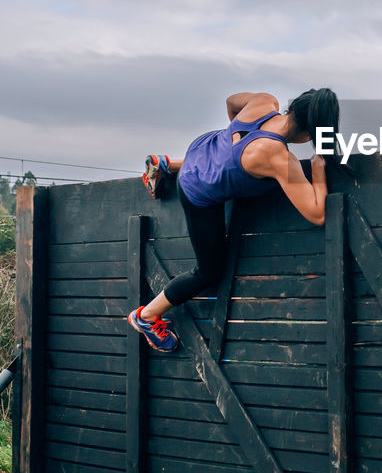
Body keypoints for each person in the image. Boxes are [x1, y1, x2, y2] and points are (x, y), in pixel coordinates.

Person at [129, 88, 339, 352]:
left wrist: (237, 147)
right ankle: (146, 316)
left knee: (232, 159)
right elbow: (317, 213)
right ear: (309, 135)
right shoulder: (278, 157)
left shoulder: (264, 101)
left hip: (202, 149)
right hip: (195, 187)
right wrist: (318, 169)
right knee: (208, 272)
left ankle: (166, 165)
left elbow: (231, 102)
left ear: (293, 107)